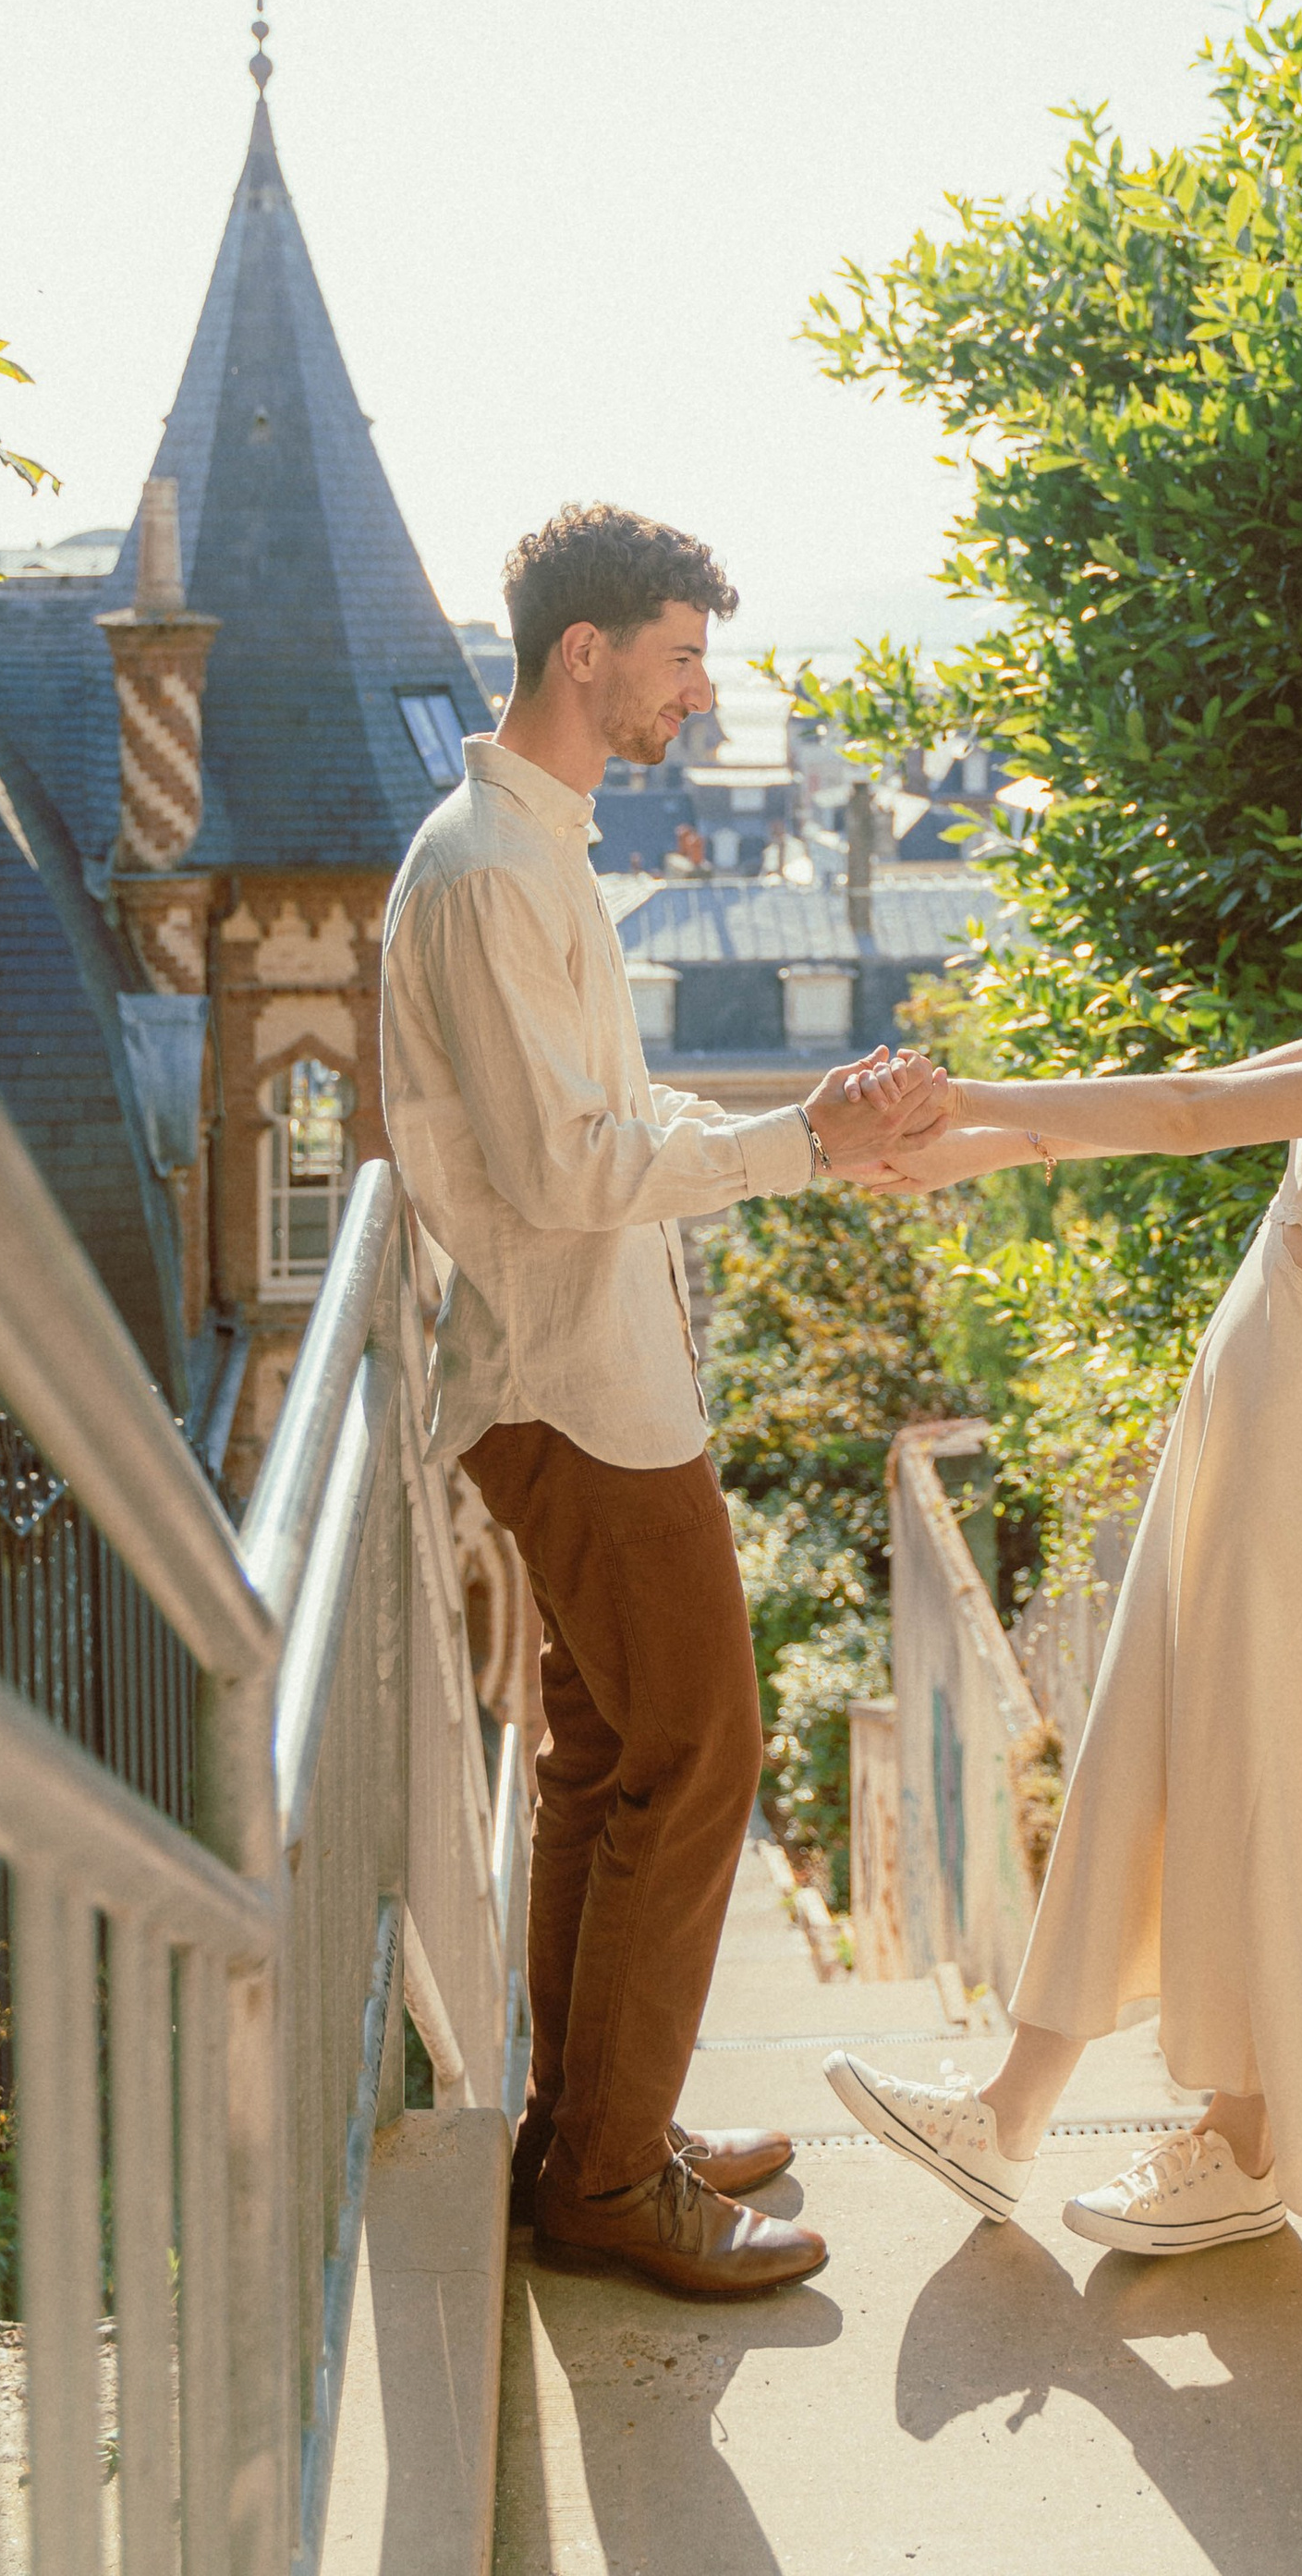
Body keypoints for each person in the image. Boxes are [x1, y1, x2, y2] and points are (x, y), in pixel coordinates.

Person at [826, 734, 1302, 2254]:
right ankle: (1006, 2116)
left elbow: (1196, 1113)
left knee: (1262, 1773)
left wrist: (958, 1092)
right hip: (1247, 1412)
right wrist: (964, 1150)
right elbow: (1231, 1089)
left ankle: (1250, 2146)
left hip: (1300, 1436)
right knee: (1142, 1742)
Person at [380, 503, 932, 2300]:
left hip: (583, 1370)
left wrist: (809, 1134)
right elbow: (564, 1169)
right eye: (683, 657)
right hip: (575, 1390)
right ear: (585, 652)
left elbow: (603, 1117)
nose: (700, 693)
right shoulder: (489, 873)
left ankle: (588, 2137)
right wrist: (794, 1144)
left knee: (609, 1758)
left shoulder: (527, 849)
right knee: (702, 1756)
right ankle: (611, 2179)